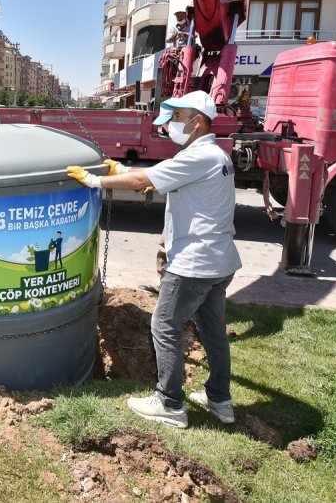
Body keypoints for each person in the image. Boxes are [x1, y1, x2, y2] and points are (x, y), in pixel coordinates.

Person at [66, 90, 241, 429]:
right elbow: (166, 180)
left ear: (198, 122)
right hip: (219, 261)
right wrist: (123, 169)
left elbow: (143, 180)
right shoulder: (215, 155)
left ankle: (169, 403)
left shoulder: (198, 156)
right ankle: (220, 399)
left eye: (177, 118)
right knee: (213, 332)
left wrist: (95, 180)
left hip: (194, 263)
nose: (170, 125)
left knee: (164, 326)